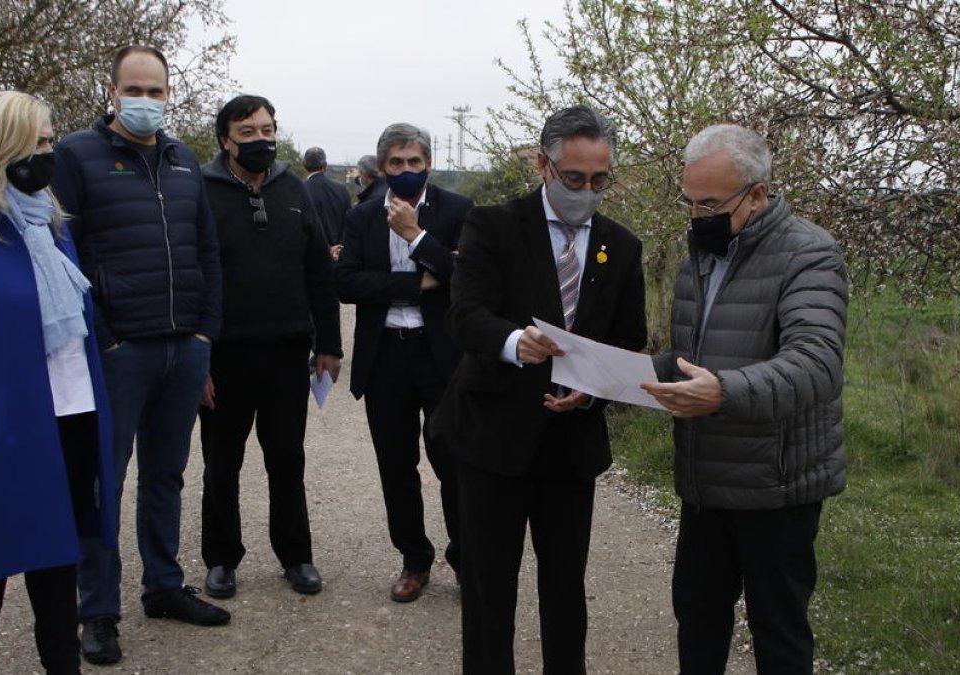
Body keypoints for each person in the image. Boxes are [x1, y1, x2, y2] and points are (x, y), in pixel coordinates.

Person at [434, 104, 647, 674]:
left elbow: (628, 341)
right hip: (492, 438)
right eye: (574, 177)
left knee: (564, 587)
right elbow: (465, 314)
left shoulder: (620, 247)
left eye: (600, 179)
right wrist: (512, 341)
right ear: (543, 164)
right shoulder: (494, 225)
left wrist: (595, 390)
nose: (586, 190)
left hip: (569, 446)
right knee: (488, 589)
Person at [639, 124, 848, 675]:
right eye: (688, 201)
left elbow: (816, 365)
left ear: (756, 194)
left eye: (709, 203)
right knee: (698, 620)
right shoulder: (701, 255)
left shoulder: (809, 253)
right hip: (705, 483)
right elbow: (690, 354)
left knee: (777, 635)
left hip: (776, 489)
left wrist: (723, 393)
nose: (696, 216)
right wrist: (609, 376)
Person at [51, 45, 228, 666]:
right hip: (118, 351)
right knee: (105, 481)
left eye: (156, 91)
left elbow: (207, 251)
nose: (146, 101)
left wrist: (206, 333)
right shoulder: (75, 155)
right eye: (135, 89)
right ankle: (98, 611)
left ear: (168, 94)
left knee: (166, 474)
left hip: (185, 346)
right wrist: (104, 337)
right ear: (112, 89)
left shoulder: (182, 160)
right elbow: (62, 254)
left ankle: (164, 585)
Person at [0, 90, 116, 675]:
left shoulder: (51, 223)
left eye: (50, 139)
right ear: (1, 146)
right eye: (39, 141)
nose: (50, 153)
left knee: (57, 553)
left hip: (69, 416)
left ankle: (62, 664)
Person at [198, 95, 342, 600]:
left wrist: (329, 343)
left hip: (286, 352)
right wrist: (198, 360)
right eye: (248, 132)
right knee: (221, 462)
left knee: (287, 459)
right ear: (225, 140)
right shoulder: (202, 191)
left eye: (268, 130)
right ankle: (220, 558)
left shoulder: (293, 190)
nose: (261, 140)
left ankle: (296, 555)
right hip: (224, 356)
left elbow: (320, 274)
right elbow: (192, 278)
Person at [335, 123, 470, 602]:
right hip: (386, 353)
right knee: (396, 464)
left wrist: (415, 236)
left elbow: (463, 276)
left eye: (415, 162)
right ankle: (414, 560)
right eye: (397, 163)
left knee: (453, 462)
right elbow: (347, 282)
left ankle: (466, 559)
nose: (407, 170)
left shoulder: (456, 210)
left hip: (441, 356)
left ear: (428, 164)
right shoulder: (364, 215)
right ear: (382, 167)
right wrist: (416, 285)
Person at [302, 146, 351, 259]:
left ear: (304, 164)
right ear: (325, 165)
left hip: (312, 256)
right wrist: (339, 246)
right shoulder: (342, 190)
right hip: (339, 255)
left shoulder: (301, 191)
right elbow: (349, 221)